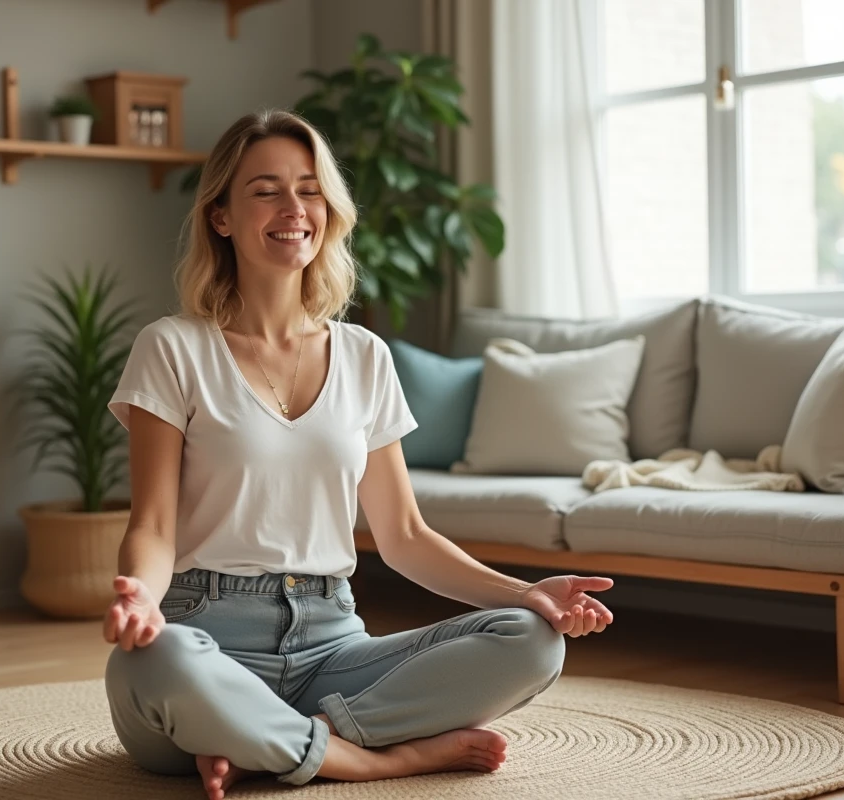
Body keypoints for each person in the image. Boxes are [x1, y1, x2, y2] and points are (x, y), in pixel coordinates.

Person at [103, 108, 615, 799]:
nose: (294, 208)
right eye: (266, 190)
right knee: (155, 662)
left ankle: (275, 741)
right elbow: (154, 526)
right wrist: (141, 601)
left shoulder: (364, 356)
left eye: (310, 188)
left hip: (331, 645)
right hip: (205, 635)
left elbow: (402, 536)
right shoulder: (172, 347)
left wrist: (528, 593)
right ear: (221, 216)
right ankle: (377, 757)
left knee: (532, 640)